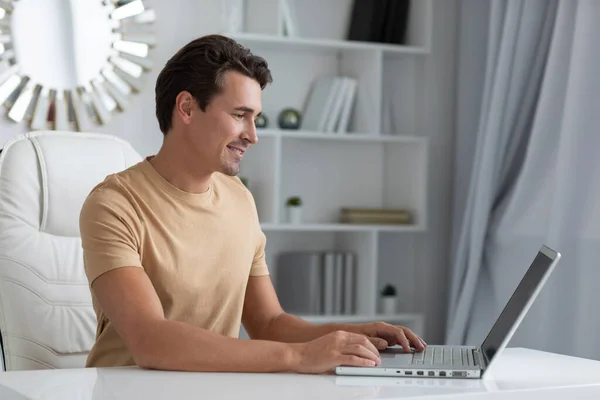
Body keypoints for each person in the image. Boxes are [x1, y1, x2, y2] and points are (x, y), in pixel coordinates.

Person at [79, 34, 426, 374]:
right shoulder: (114, 205)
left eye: (255, 118)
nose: (252, 135)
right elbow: (150, 339)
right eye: (240, 115)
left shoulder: (239, 198)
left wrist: (349, 337)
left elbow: (269, 323)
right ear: (186, 107)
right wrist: (300, 358)